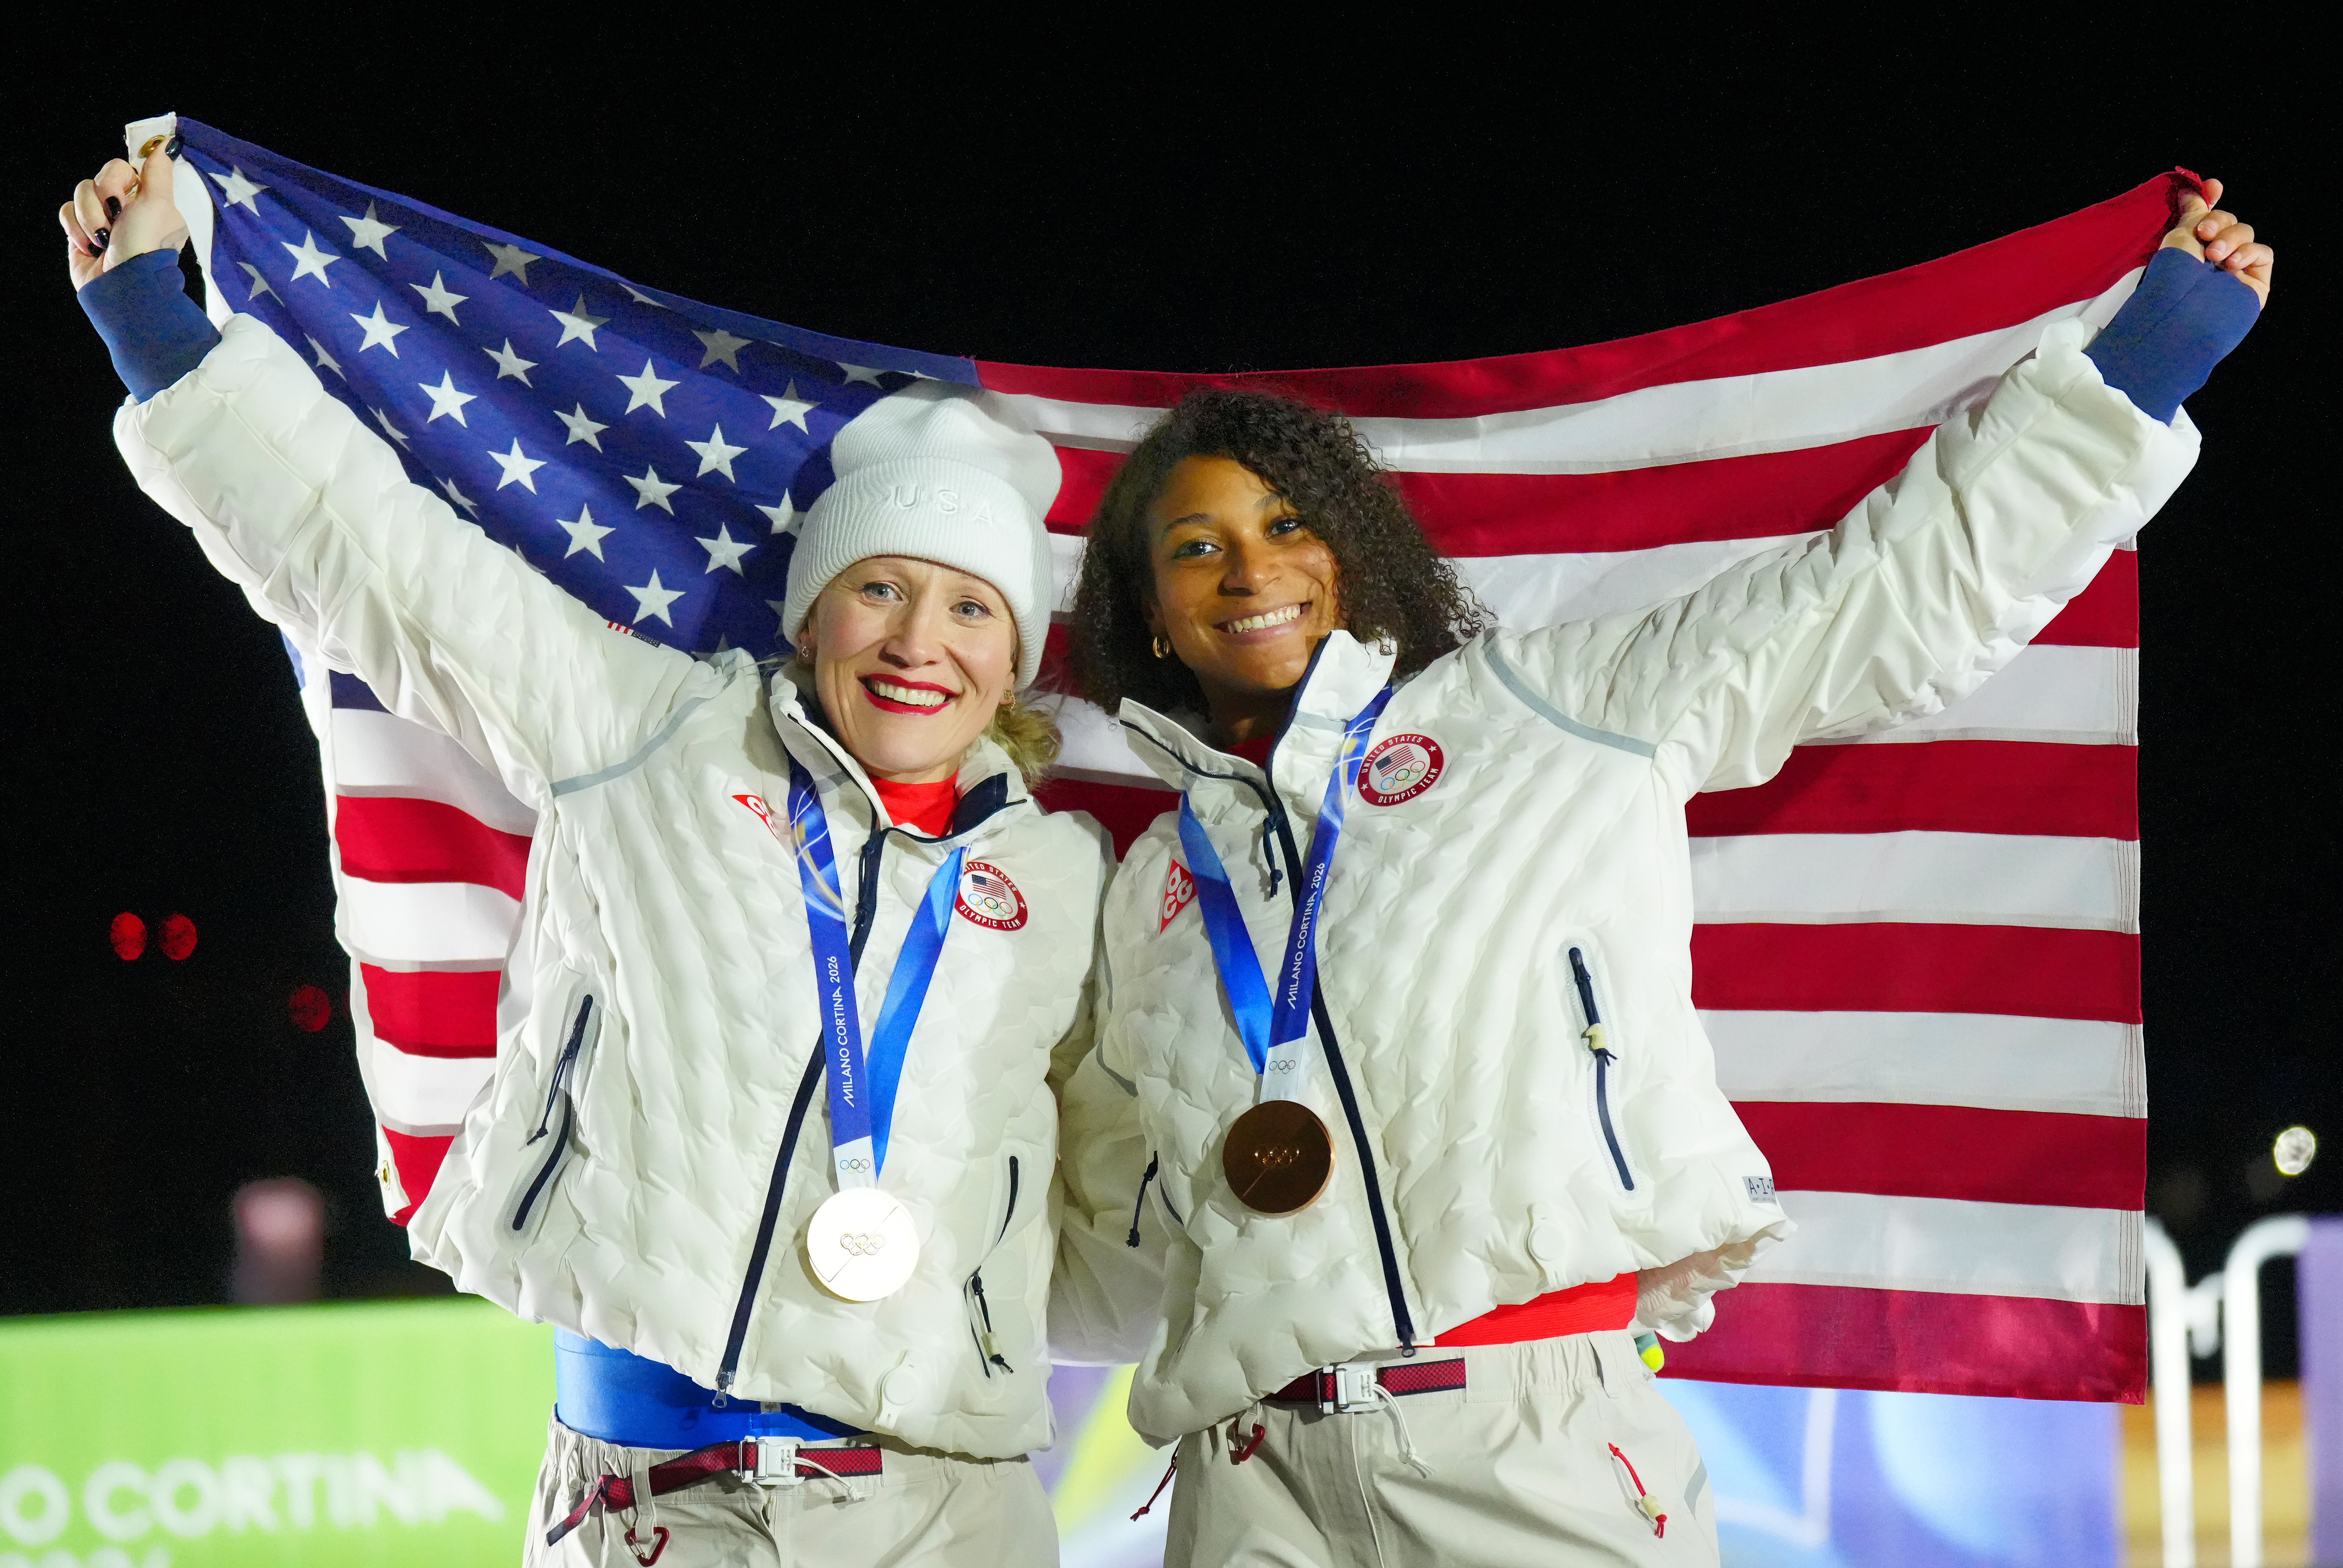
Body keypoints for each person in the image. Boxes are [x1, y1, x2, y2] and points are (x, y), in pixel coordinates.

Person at [1057, 185, 2271, 1565]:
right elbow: (1101, 1229)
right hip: (1248, 1484)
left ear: (1353, 551)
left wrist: (2142, 366)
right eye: (1195, 547)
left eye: (1287, 526)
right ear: (1146, 613)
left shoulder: (1548, 710)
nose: (1248, 570)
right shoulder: (1149, 887)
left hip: (1527, 1445)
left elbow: (1864, 597)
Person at [62, 140, 1132, 1565]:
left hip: (942, 1509)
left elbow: (1120, 1185)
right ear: (813, 619)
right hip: (649, 1496)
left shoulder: (1064, 880)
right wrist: (151, 320)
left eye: (970, 611)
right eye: (879, 588)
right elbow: (381, 562)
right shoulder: (654, 737)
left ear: (1015, 664)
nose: (918, 641)